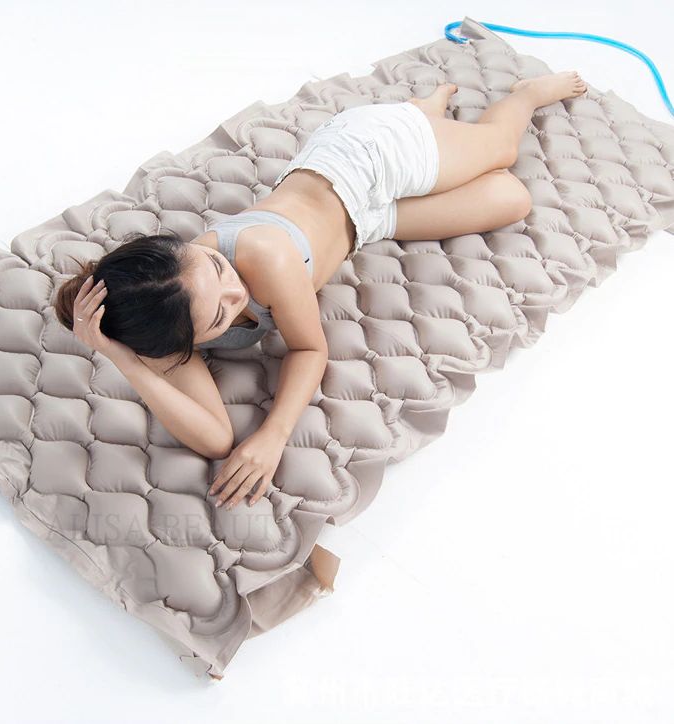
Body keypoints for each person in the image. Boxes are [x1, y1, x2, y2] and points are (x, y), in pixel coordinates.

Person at [53, 71, 588, 509]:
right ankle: (423, 114)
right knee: (511, 199)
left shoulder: (262, 256)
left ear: (186, 250)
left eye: (216, 266)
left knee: (501, 150)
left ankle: (511, 98)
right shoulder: (170, 324)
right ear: (180, 341)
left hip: (366, 158)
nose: (236, 291)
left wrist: (273, 435)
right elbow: (214, 438)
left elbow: (310, 349)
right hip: (366, 223)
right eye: (219, 317)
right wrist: (121, 358)